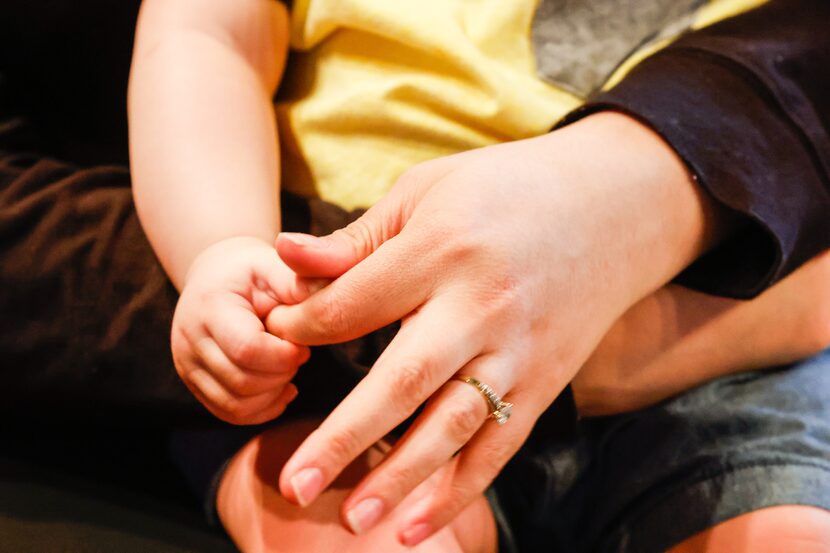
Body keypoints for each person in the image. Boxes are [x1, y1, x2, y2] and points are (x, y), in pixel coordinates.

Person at [127, 0, 830, 552]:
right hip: (363, 348)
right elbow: (203, 39)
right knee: (350, 526)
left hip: (719, 351)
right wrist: (219, 248)